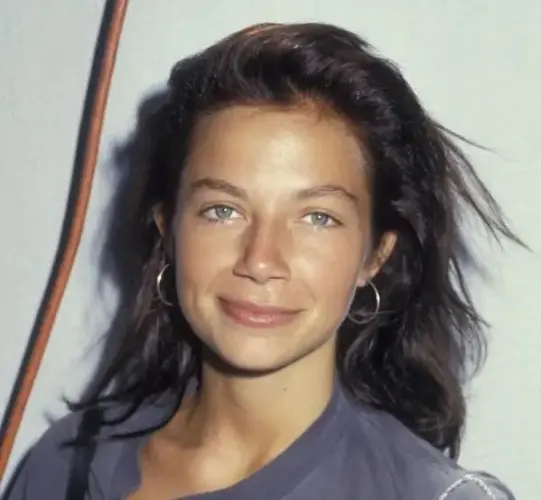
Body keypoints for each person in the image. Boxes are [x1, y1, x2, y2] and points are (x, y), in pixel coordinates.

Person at [3, 22, 520, 500]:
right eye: (223, 210)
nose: (260, 260)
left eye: (317, 217)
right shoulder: (65, 465)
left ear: (375, 255)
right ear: (169, 230)